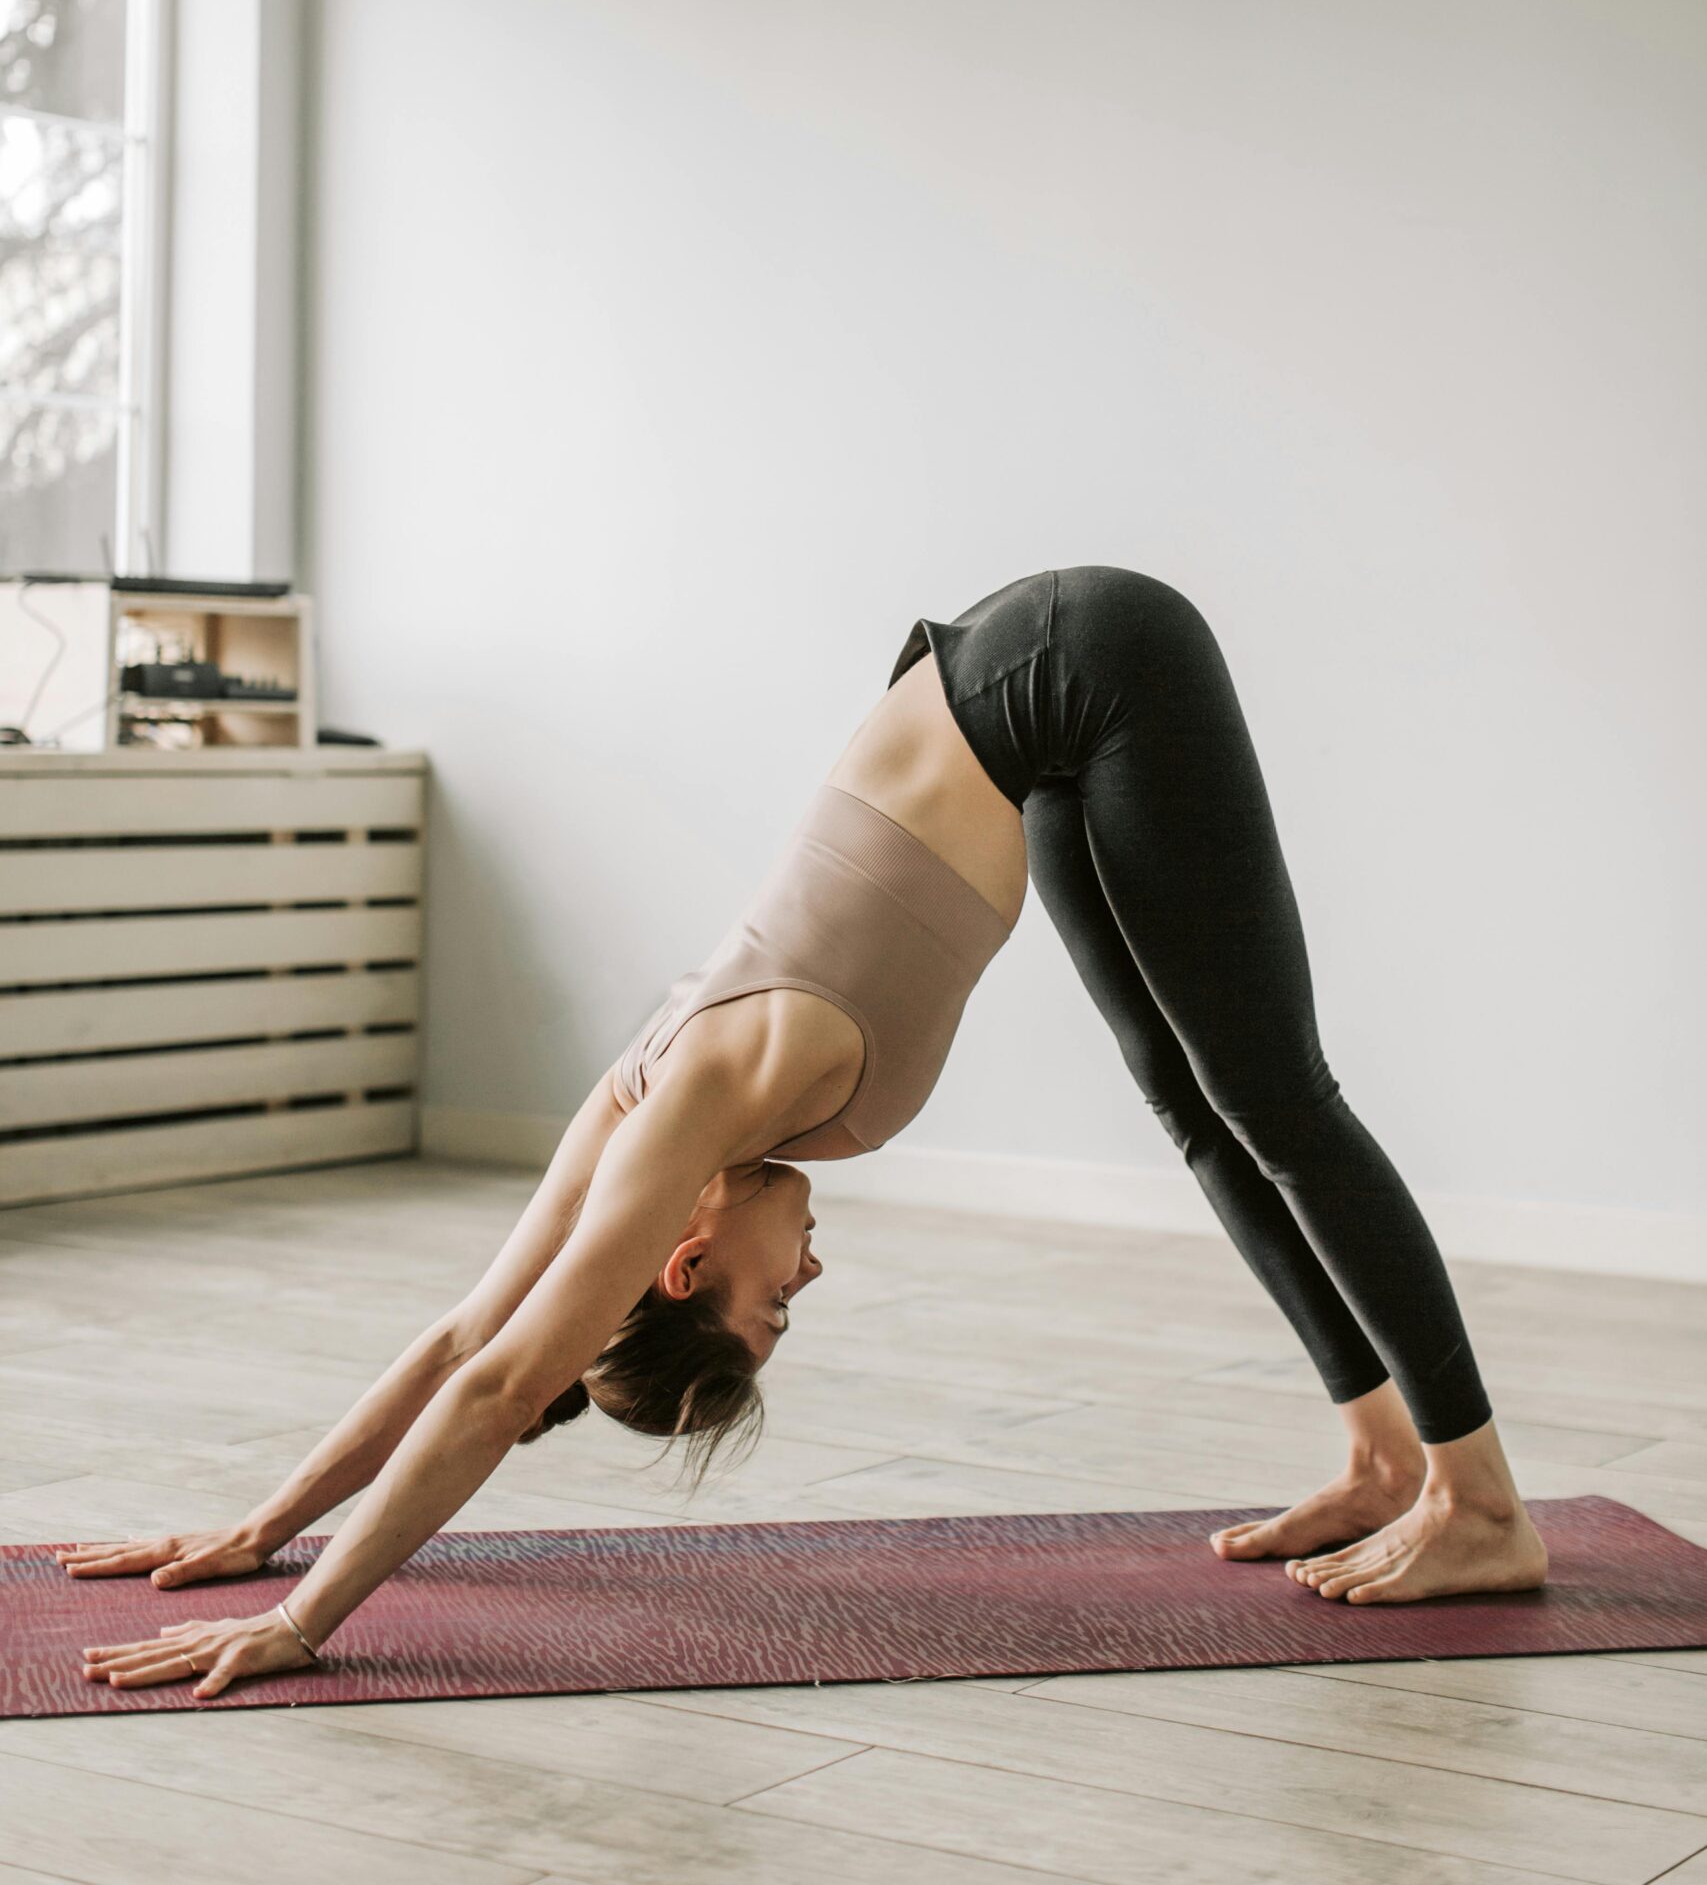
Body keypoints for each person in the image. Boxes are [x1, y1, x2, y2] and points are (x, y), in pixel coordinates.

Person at [65, 565, 1546, 1698]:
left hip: (1086, 661)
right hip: (1022, 707)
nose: (808, 1288)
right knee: (1196, 1101)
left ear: (683, 1258)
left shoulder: (703, 1098)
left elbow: (505, 1381)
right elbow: (463, 1344)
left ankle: (1479, 1501)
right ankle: (1374, 1453)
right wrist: (265, 1527)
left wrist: (303, 1617)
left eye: (769, 1310)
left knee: (1276, 1091)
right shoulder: (640, 1099)